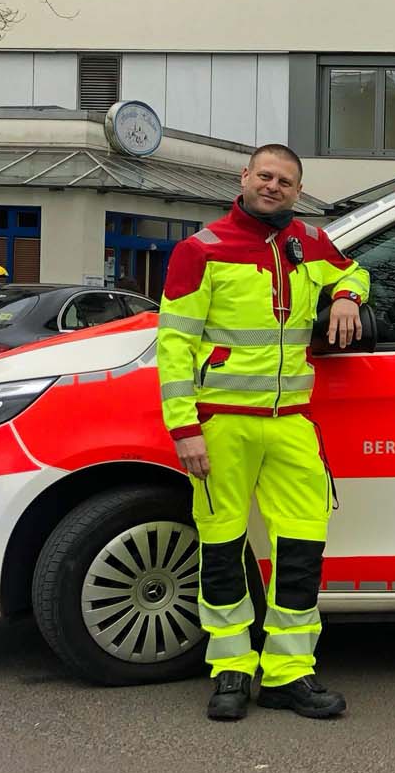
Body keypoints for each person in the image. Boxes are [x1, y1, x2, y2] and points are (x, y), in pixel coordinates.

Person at [156, 144, 369, 722]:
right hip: (221, 423)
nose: (274, 187)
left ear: (298, 191)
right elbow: (173, 345)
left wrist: (347, 296)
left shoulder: (309, 244)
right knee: (222, 549)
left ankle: (288, 674)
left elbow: (355, 270)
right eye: (266, 176)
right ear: (244, 177)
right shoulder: (201, 250)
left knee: (301, 550)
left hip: (292, 423)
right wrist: (185, 428)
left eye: (287, 181)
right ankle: (230, 670)